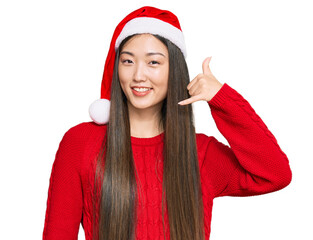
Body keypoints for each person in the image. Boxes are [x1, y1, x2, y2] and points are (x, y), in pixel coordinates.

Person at [42, 6, 292, 240]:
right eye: (128, 61)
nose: (138, 75)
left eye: (153, 62)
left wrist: (222, 99)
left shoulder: (200, 154)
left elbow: (275, 174)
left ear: (174, 70)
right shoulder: (80, 144)